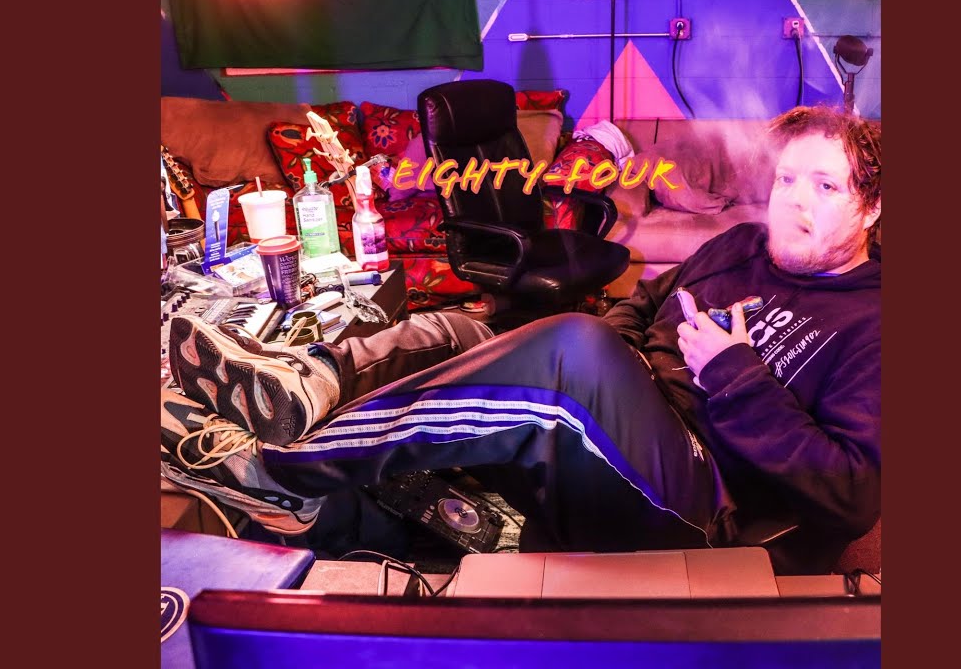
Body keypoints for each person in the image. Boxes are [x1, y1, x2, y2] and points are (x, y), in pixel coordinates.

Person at [161, 104, 881, 573]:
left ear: (873, 207)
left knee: (572, 351)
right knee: (465, 330)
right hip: (627, 429)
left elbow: (852, 498)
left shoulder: (875, 322)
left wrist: (733, 375)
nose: (793, 201)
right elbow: (643, 303)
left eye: (825, 187)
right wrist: (624, 360)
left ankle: (285, 471)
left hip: (710, 502)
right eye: (787, 179)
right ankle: (305, 384)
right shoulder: (740, 246)